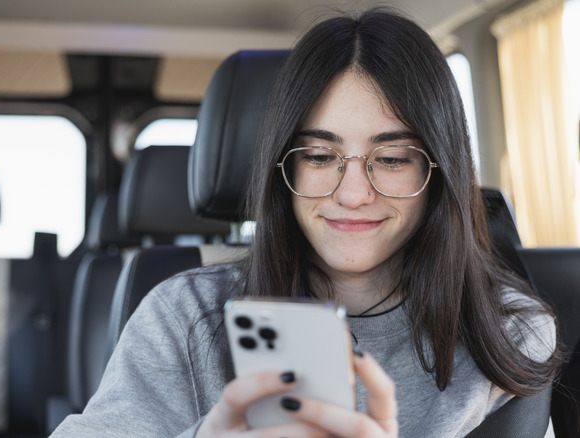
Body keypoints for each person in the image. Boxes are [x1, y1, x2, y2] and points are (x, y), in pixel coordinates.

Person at [51, 7, 561, 438]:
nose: (354, 194)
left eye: (391, 159)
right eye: (319, 156)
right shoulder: (184, 315)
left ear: (438, 172)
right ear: (284, 166)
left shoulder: (509, 331)